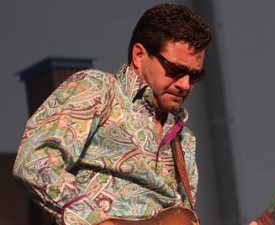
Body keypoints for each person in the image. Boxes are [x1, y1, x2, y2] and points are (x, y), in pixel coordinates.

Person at [13, 3, 212, 225]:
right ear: (139, 55)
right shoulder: (99, 90)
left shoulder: (184, 140)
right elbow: (36, 162)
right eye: (175, 70)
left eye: (194, 76)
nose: (185, 84)